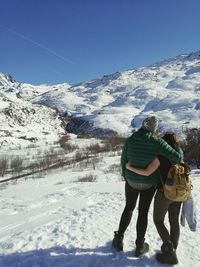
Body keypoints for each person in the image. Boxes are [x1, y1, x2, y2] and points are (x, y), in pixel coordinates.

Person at [112, 116, 183, 257]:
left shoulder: (131, 139)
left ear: (142, 126)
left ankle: (119, 238)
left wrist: (126, 176)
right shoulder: (157, 142)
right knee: (143, 212)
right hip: (149, 183)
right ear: (154, 129)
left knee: (129, 207)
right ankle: (139, 245)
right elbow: (178, 158)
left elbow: (123, 160)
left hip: (131, 181)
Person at [126, 132, 183, 264]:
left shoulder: (160, 156)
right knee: (173, 220)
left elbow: (148, 171)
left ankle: (170, 252)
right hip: (179, 192)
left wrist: (129, 167)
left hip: (165, 193)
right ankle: (173, 248)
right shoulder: (179, 153)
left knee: (158, 220)